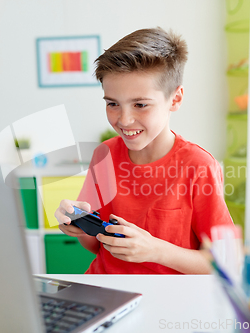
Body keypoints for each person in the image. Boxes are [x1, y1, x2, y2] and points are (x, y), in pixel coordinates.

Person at [54, 27, 234, 274]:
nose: (124, 120)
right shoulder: (104, 155)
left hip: (167, 300)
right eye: (113, 104)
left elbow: (227, 264)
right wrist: (78, 225)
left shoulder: (198, 164)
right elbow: (96, 247)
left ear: (175, 99)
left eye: (140, 104)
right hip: (106, 288)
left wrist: (155, 250)